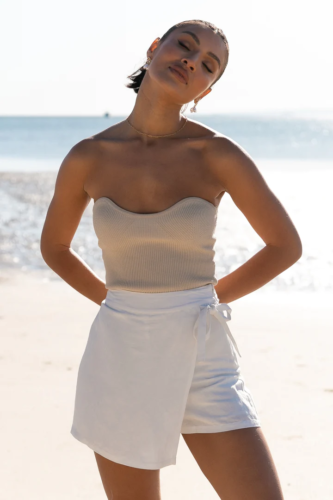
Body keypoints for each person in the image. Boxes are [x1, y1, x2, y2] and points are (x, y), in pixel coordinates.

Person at [40, 19, 302, 500]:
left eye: (208, 65)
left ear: (207, 89)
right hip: (120, 352)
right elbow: (54, 248)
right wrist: (113, 302)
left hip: (202, 348)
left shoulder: (217, 154)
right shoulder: (89, 156)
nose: (192, 61)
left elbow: (285, 246)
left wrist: (207, 298)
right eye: (185, 46)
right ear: (154, 48)